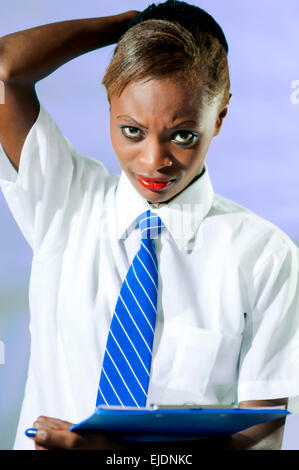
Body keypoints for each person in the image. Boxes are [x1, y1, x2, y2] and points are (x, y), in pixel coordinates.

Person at [0, 0, 298, 451]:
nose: (154, 161)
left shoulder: (265, 256)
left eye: (183, 135)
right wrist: (134, 25)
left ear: (218, 117)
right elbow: (5, 70)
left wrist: (118, 456)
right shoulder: (64, 204)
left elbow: (258, 437)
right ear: (109, 106)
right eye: (132, 130)